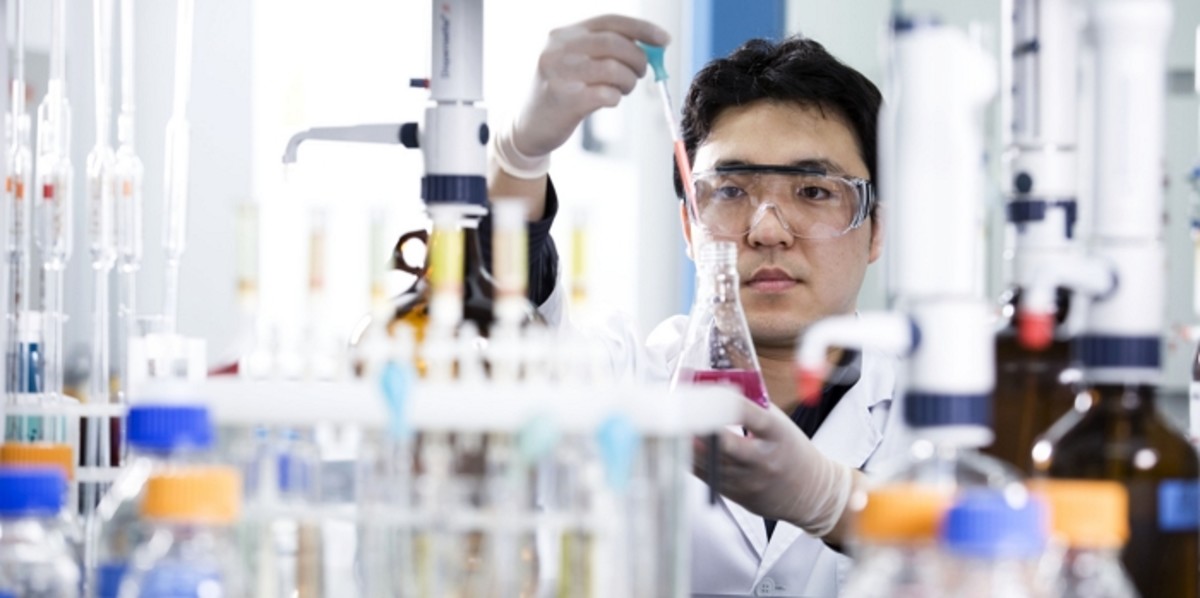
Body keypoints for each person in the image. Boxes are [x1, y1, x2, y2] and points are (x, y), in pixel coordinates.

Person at [483, 14, 909, 597]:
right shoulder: (625, 380)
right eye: (730, 191)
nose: (767, 231)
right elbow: (502, 316)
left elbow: (999, 550)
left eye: (813, 191)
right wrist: (519, 155)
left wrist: (832, 500)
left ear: (876, 229)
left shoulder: (931, 412)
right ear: (689, 225)